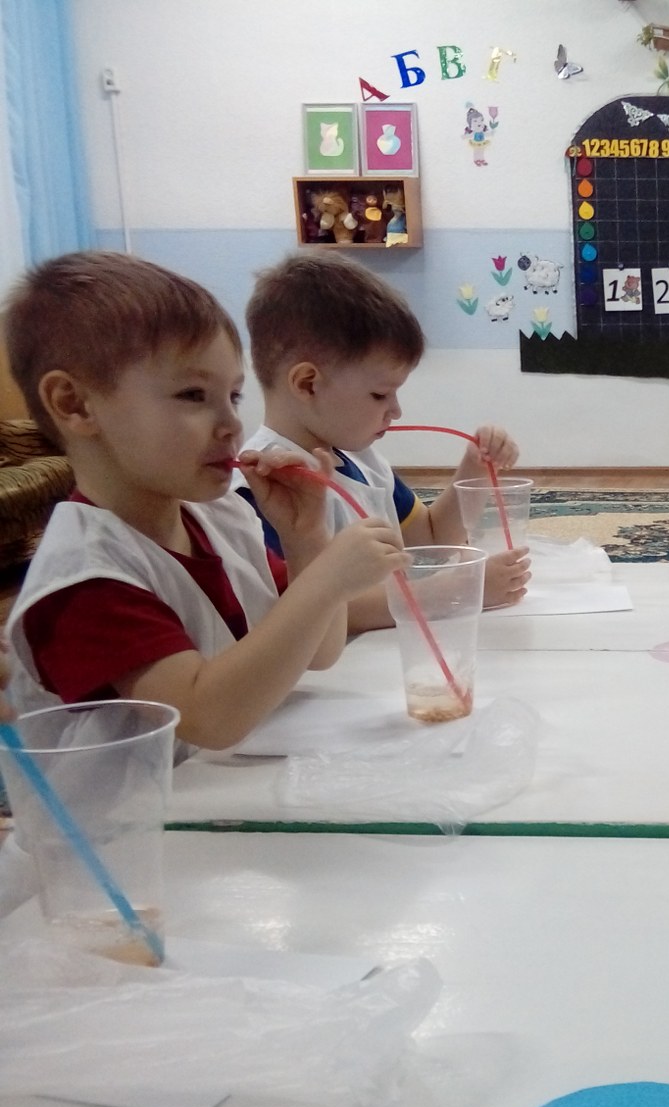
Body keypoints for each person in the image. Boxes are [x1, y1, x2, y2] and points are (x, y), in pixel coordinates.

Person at [1, 251, 408, 753]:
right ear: (74, 404)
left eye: (233, 396)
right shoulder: (83, 579)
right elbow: (206, 718)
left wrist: (306, 539)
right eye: (193, 395)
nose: (232, 424)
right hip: (137, 804)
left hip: (218, 787)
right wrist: (327, 579)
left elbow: (318, 653)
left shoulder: (221, 518)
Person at [240, 253, 529, 631]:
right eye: (380, 395)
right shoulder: (262, 487)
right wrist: (457, 591)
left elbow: (431, 539)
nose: (396, 411)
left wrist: (475, 466)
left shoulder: (364, 463)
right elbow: (304, 610)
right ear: (308, 384)